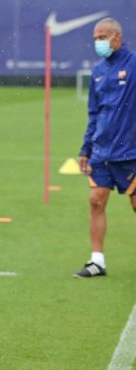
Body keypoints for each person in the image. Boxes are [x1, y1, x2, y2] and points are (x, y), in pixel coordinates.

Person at [75, 17, 136, 278]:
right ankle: (97, 261)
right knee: (96, 201)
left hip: (130, 152)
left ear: (117, 38)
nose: (98, 42)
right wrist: (85, 149)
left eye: (103, 37)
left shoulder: (133, 65)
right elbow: (94, 113)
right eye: (96, 38)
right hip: (102, 151)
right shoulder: (98, 71)